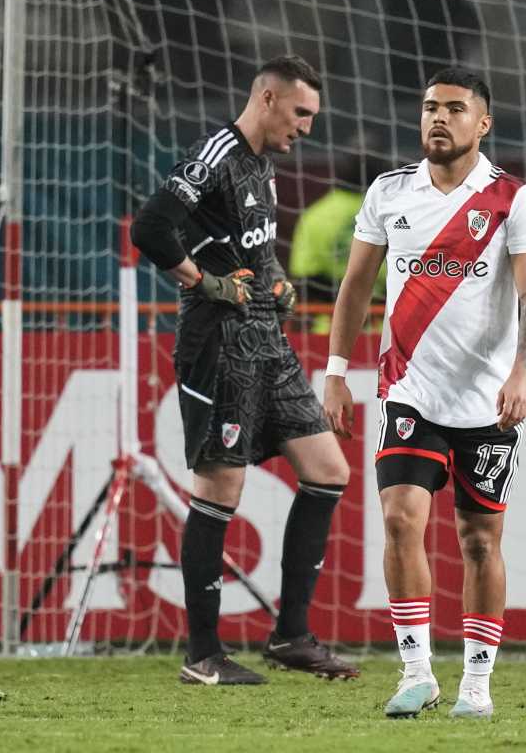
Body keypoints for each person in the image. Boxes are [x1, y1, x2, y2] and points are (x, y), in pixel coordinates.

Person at [322, 67, 526, 719]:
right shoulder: (389, 192)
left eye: (454, 108)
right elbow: (355, 288)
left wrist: (523, 370)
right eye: (429, 107)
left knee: (479, 542)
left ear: (483, 123)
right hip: (409, 390)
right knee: (400, 518)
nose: (438, 118)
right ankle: (416, 672)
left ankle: (476, 684)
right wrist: (336, 371)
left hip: (486, 401)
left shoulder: (512, 199)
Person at [130, 55, 359, 685]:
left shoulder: (261, 166)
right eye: (301, 112)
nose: (307, 127)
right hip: (220, 345)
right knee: (218, 491)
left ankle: (291, 636)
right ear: (266, 98)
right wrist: (202, 281)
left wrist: (278, 284)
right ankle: (203, 655)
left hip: (268, 341)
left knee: (328, 470)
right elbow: (150, 227)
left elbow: (258, 249)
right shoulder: (215, 153)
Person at [288, 145, 389, 333]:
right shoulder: (393, 213)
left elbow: (305, 281)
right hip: (386, 330)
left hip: (331, 330)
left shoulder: (316, 215)